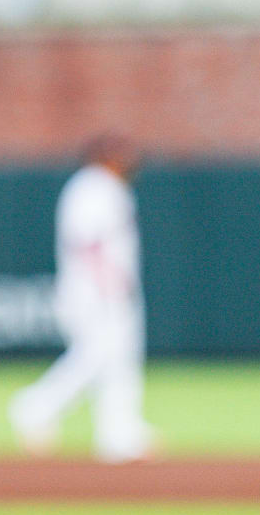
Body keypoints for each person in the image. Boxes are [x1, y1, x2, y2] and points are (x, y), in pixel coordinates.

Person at [9, 134, 157, 463]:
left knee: (116, 360)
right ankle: (36, 406)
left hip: (103, 288)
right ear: (103, 156)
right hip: (96, 290)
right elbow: (88, 241)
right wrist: (108, 287)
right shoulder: (94, 187)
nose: (129, 161)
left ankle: (118, 433)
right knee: (99, 357)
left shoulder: (107, 187)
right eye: (121, 153)